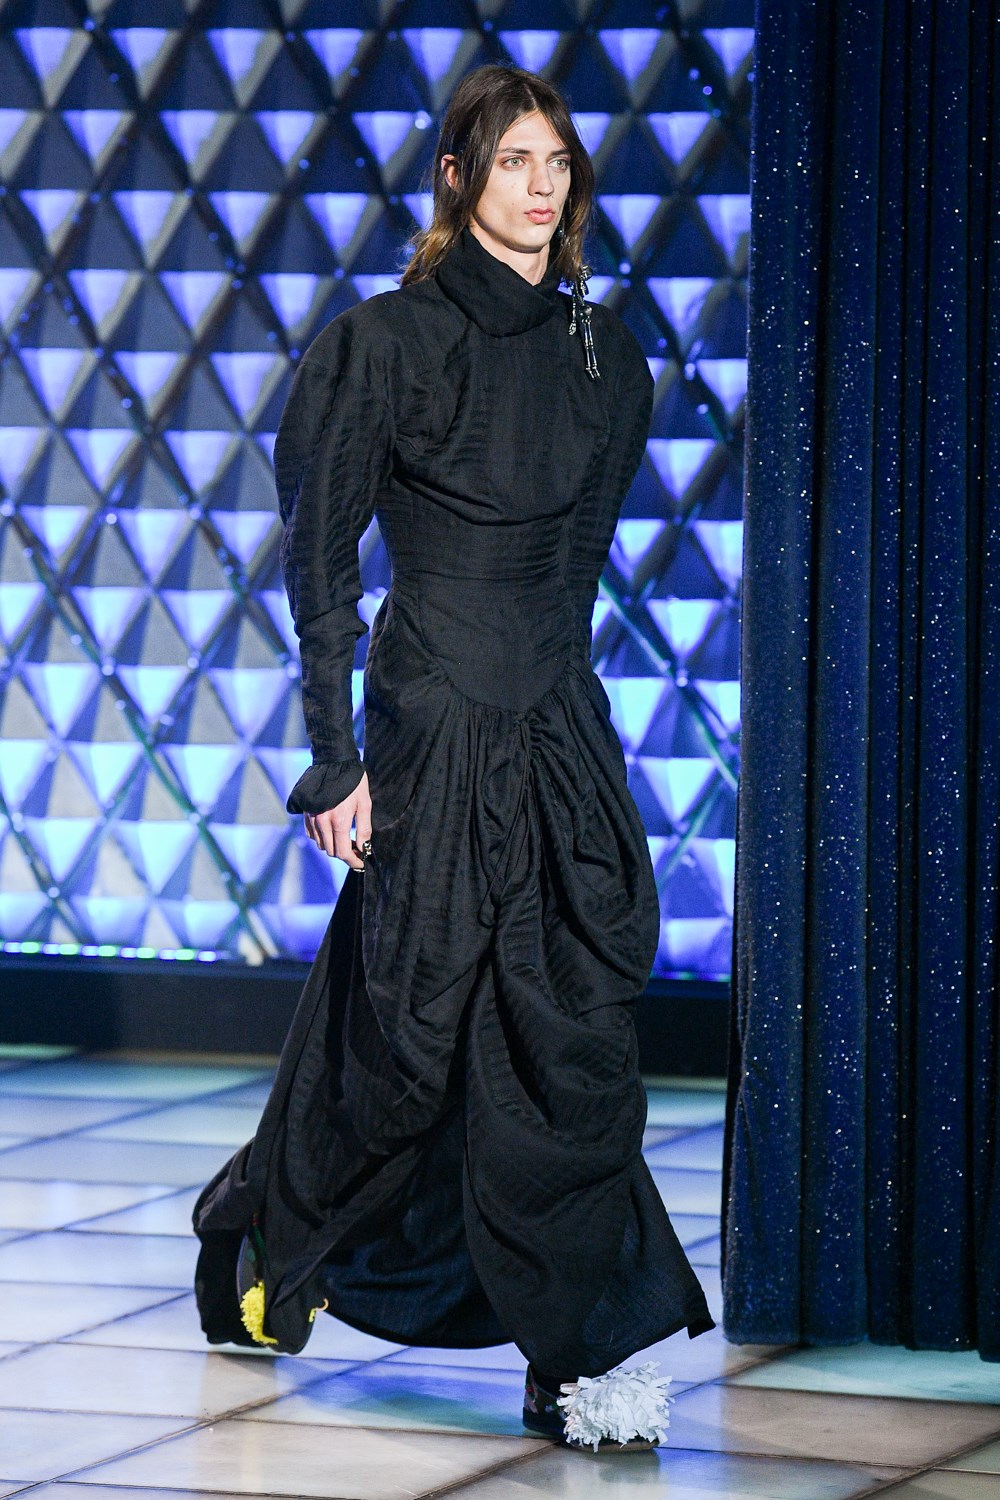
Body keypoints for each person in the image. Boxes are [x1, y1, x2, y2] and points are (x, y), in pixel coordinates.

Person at [192, 63, 714, 1453]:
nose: (541, 186)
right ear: (457, 177)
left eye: (558, 162)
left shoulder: (608, 357)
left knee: (571, 1034)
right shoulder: (383, 345)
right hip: (426, 724)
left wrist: (557, 717)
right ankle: (264, 1229)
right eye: (513, 160)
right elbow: (320, 560)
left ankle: (577, 1347)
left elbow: (581, 564)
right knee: (405, 1042)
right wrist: (333, 759)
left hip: (555, 726)